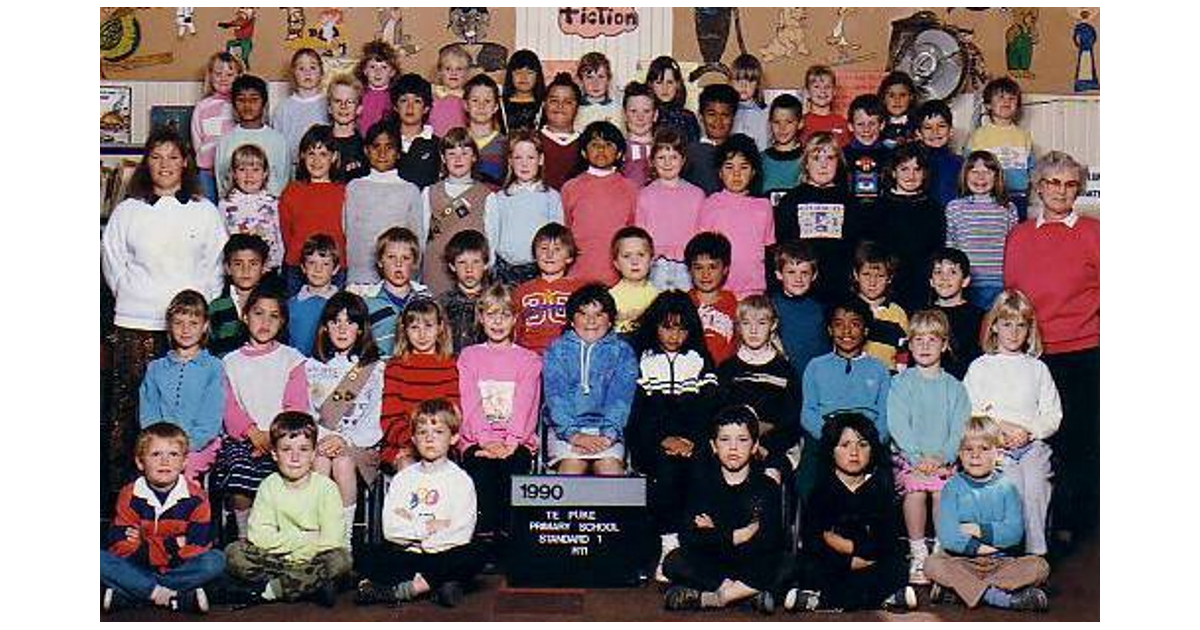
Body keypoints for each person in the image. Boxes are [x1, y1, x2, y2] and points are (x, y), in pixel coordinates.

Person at [102, 127, 227, 500]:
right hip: (136, 322)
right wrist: (134, 294)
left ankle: (183, 500)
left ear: (185, 162)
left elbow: (215, 265)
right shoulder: (128, 210)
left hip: (187, 327)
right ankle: (125, 501)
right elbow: (113, 262)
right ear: (146, 164)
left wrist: (195, 310)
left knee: (185, 410)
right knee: (131, 418)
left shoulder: (204, 211)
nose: (165, 165)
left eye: (173, 156)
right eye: (156, 157)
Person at [1003, 151, 1098, 546]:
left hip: (1085, 349)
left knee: (1079, 439)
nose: (1061, 191)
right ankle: (1033, 523)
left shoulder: (1096, 232)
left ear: (1078, 189)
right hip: (1034, 355)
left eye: (1070, 184)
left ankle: (1073, 523)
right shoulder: (1020, 235)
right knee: (1036, 440)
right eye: (1053, 183)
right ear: (1039, 187)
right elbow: (1012, 295)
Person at [627, 291, 721, 581]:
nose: (674, 335)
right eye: (667, 327)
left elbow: (709, 406)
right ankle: (669, 547)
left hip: (693, 440)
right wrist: (662, 440)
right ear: (654, 326)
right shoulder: (640, 358)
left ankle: (694, 548)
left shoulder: (699, 358)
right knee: (666, 472)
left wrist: (692, 439)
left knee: (700, 471)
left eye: (681, 328)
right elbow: (636, 413)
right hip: (651, 442)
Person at [355, 399, 485, 608]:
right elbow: (391, 530)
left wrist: (416, 534)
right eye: (423, 433)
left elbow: (461, 532)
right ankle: (440, 584)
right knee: (365, 555)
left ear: (454, 438)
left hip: (444, 553)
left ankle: (410, 589)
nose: (430, 439)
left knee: (476, 553)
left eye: (438, 432)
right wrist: (429, 528)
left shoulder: (461, 480)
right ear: (414, 439)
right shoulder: (403, 479)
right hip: (409, 555)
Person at [963, 290, 1061, 556]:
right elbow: (971, 409)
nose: (1014, 332)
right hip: (994, 446)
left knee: (1036, 484)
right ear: (994, 325)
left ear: (1029, 330)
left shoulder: (1037, 369)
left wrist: (1030, 433)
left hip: (1031, 445)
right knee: (1012, 485)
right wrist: (1000, 430)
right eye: (1007, 324)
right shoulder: (981, 367)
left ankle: (1036, 555)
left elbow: (1053, 415)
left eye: (1021, 325)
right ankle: (1009, 554)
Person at [784, 413, 914, 613]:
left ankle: (822, 600)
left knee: (895, 565)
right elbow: (814, 539)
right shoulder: (821, 492)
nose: (854, 452)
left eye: (862, 445)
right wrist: (847, 561)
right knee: (807, 566)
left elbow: (886, 539)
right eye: (845, 445)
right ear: (831, 451)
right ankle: (882, 598)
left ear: (872, 451)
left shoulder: (880, 490)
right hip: (833, 564)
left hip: (870, 560)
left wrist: (850, 546)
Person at [662, 405, 784, 614]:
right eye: (725, 440)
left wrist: (715, 531)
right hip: (714, 564)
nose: (733, 448)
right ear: (714, 446)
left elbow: (769, 539)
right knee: (674, 561)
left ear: (755, 446)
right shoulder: (702, 483)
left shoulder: (766, 486)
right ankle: (746, 595)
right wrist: (739, 535)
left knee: (786, 564)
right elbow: (690, 536)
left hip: (750, 561)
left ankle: (717, 597)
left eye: (742, 440)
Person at [923, 417, 1051, 612]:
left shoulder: (1007, 488)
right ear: (960, 454)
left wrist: (976, 529)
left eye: (984, 449)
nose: (975, 455)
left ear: (997, 454)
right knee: (932, 564)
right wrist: (983, 547)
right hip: (962, 560)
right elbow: (949, 536)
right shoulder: (952, 488)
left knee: (1039, 567)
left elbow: (1014, 533)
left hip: (1001, 562)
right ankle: (1002, 599)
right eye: (968, 449)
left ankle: (959, 591)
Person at [224, 412, 351, 607]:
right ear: (274, 453)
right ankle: (307, 586)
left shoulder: (326, 488)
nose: (295, 457)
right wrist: (305, 538)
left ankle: (272, 590)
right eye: (286, 449)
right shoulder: (269, 485)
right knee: (234, 552)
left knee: (341, 559)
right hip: (277, 561)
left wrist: (292, 543)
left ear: (313, 454)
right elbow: (258, 536)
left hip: (313, 560)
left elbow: (332, 540)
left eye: (303, 449)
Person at [213, 287, 309, 541]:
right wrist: (253, 433)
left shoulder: (292, 359)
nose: (265, 322)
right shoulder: (230, 362)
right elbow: (229, 406)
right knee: (240, 472)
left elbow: (296, 406)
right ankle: (246, 537)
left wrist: (273, 437)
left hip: (284, 438)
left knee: (290, 472)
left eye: (273, 316)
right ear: (245, 317)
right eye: (258, 314)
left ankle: (282, 536)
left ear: (283, 322)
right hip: (245, 438)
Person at [101, 423, 226, 614]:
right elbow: (121, 546)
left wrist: (145, 545)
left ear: (184, 462)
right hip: (135, 566)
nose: (165, 461)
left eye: (173, 454)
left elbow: (198, 547)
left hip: (179, 569)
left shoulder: (197, 498)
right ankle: (173, 598)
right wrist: (174, 544)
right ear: (140, 462)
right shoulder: (129, 494)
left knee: (215, 560)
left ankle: (134, 594)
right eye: (156, 454)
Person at [888, 309, 971, 585]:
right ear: (909, 345)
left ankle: (941, 551)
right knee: (916, 490)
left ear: (944, 344)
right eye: (918, 340)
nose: (925, 346)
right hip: (908, 460)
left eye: (932, 340)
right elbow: (898, 424)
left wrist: (943, 458)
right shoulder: (901, 383)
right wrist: (915, 457)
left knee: (941, 493)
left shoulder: (955, 388)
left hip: (944, 462)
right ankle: (918, 551)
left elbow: (960, 428)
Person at [457, 284, 543, 535]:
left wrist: (511, 442)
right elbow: (469, 402)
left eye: (505, 315)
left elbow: (527, 405)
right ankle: (483, 540)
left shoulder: (528, 360)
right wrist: (486, 442)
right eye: (491, 314)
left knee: (511, 473)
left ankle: (509, 540)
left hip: (516, 443)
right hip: (477, 440)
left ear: (515, 319)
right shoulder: (469, 356)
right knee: (482, 474)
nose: (497, 322)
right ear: (480, 318)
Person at [304, 291, 385, 552]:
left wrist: (343, 439)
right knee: (319, 460)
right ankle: (317, 537)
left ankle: (344, 540)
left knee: (342, 461)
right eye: (335, 322)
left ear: (361, 329)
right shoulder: (310, 367)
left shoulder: (374, 370)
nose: (342, 328)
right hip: (320, 443)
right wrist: (324, 437)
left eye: (350, 322)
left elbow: (375, 416)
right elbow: (306, 412)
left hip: (360, 446)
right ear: (325, 327)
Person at [797, 299, 891, 503]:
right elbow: (808, 412)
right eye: (839, 324)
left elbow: (885, 415)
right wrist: (833, 438)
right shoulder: (816, 366)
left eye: (855, 324)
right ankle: (812, 529)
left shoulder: (879, 369)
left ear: (866, 330)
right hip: (827, 435)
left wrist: (869, 440)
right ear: (830, 330)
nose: (846, 331)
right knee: (808, 478)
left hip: (866, 435)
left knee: (883, 479)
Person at [543, 284, 639, 475]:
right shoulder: (557, 350)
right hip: (566, 431)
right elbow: (556, 398)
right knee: (572, 467)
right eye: (583, 314)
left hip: (607, 432)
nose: (591, 321)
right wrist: (574, 435)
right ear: (571, 320)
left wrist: (608, 437)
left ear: (611, 320)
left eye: (599, 314)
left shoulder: (622, 352)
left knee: (609, 468)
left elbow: (621, 400)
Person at [139, 290, 225, 481]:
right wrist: (162, 446)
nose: (185, 330)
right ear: (169, 326)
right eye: (178, 323)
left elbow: (211, 418)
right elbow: (149, 412)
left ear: (205, 326)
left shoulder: (214, 367)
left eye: (193, 323)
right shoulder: (155, 368)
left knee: (184, 476)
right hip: (161, 444)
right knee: (150, 472)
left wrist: (183, 448)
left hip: (200, 444)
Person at [717, 295, 800, 482]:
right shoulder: (727, 369)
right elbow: (718, 415)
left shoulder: (785, 371)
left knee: (769, 477)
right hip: (732, 446)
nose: (753, 330)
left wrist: (765, 446)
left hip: (774, 449)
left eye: (761, 323)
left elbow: (791, 422)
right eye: (746, 323)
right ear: (738, 327)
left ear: (773, 325)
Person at [772, 132, 858, 303]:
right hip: (800, 288)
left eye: (830, 158)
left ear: (838, 163)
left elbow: (855, 247)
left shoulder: (849, 201)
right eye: (816, 158)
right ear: (806, 163)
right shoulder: (791, 200)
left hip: (839, 288)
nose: (823, 165)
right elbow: (782, 247)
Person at [380, 299, 460, 473]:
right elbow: (390, 418)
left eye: (428, 326)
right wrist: (415, 443)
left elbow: (453, 415)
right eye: (415, 328)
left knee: (441, 467)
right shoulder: (396, 367)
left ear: (440, 328)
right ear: (405, 331)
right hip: (405, 443)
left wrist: (433, 442)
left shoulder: (450, 365)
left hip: (442, 443)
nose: (422, 335)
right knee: (408, 467)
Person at [696, 134, 776, 299]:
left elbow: (769, 252)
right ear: (719, 172)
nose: (737, 174)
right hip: (719, 291)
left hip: (754, 291)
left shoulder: (764, 207)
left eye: (744, 167)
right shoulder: (710, 204)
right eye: (729, 167)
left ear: (753, 171)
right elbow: (702, 251)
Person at [343, 122, 422, 287]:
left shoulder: (410, 190)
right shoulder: (355, 187)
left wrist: (413, 278)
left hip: (398, 278)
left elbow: (417, 239)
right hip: (360, 276)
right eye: (376, 146)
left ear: (399, 153)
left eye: (389, 147)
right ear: (366, 150)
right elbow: (347, 229)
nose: (382, 153)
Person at [562, 121, 639, 285]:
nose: (601, 150)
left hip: (619, 280)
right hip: (576, 277)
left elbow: (634, 235)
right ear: (584, 152)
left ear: (619, 153)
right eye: (595, 145)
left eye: (609, 145)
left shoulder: (631, 189)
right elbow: (565, 233)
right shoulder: (570, 187)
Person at [485, 129, 564, 286]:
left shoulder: (551, 197)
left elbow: (557, 236)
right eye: (518, 157)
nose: (524, 163)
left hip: (539, 269)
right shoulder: (499, 198)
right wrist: (491, 268)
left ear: (540, 159)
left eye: (531, 157)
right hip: (505, 269)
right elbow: (491, 235)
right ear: (510, 161)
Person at [875, 143, 946, 312]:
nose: (911, 175)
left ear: (924, 174)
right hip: (886, 283)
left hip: (921, 284)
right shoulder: (878, 207)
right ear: (893, 172)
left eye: (917, 169)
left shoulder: (933, 208)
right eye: (904, 169)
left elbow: (937, 249)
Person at [945, 150, 1019, 310]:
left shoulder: (1008, 208)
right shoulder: (955, 207)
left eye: (987, 172)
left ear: (996, 176)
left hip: (999, 284)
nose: (980, 177)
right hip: (965, 284)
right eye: (974, 172)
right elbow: (951, 248)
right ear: (965, 175)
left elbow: (1015, 249)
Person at [421, 128, 491, 296]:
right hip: (436, 269)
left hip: (472, 271)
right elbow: (422, 236)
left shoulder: (486, 195)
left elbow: (491, 241)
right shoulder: (429, 192)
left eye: (465, 153)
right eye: (452, 154)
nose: (458, 159)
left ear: (474, 157)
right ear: (443, 158)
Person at [279, 124, 347, 295]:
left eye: (323, 154)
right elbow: (285, 232)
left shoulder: (345, 192)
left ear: (334, 157)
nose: (316, 161)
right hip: (297, 266)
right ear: (302, 156)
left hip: (334, 268)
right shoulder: (292, 191)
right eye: (311, 154)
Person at [636, 129, 705, 292]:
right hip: (656, 265)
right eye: (661, 158)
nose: (667, 163)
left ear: (683, 161)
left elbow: (701, 233)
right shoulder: (645, 194)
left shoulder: (697, 194)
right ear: (652, 161)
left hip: (686, 266)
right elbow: (640, 233)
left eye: (674, 157)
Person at [350, 227, 433, 358]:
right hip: (378, 371)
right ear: (380, 261)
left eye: (405, 258)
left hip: (416, 370)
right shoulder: (367, 300)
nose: (398, 264)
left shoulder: (426, 299)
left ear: (415, 263)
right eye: (391, 257)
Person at [966, 77, 1034, 221]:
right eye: (1001, 97)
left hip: (1018, 196)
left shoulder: (1023, 136)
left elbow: (1032, 168)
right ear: (988, 105)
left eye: (1012, 98)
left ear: (1018, 105)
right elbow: (967, 168)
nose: (1007, 102)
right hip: (987, 196)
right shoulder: (979, 135)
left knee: (1016, 236)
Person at [513, 222, 583, 355]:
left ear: (569, 257)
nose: (549, 255)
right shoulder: (521, 291)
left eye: (557, 249)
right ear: (534, 254)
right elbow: (515, 331)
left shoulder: (579, 290)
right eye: (544, 248)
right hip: (529, 357)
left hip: (566, 356)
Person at [215, 74, 290, 198]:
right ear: (233, 104)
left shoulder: (278, 141)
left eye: (254, 100)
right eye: (241, 100)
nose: (247, 105)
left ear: (264, 103)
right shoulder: (225, 141)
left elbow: (284, 180)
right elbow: (221, 182)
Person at [769, 240, 830, 381]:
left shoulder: (821, 309)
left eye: (804, 273)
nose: (798, 278)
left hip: (817, 381)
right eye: (791, 272)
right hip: (782, 382)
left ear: (814, 276)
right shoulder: (770, 306)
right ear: (779, 274)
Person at [218, 143, 284, 272]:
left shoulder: (272, 202)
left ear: (265, 173)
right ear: (234, 174)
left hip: (268, 268)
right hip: (238, 270)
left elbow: (279, 236)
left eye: (255, 170)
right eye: (242, 170)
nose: (249, 176)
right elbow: (221, 239)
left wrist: (279, 262)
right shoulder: (225, 204)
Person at [192, 51, 245, 201]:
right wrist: (203, 160)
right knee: (208, 206)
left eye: (229, 74)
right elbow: (197, 137)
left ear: (238, 76)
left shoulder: (241, 106)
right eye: (218, 73)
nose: (223, 78)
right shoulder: (203, 106)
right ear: (210, 76)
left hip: (235, 170)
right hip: (206, 171)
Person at [208, 234, 269, 358]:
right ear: (227, 268)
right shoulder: (216, 307)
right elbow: (209, 348)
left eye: (253, 264)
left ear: (263, 267)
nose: (245, 270)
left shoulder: (272, 306)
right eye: (238, 264)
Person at [927, 248, 984, 379]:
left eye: (952, 272)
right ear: (931, 281)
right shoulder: (922, 315)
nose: (944, 278)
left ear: (965, 281)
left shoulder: (978, 317)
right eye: (938, 272)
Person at [852, 241, 909, 373]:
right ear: (856, 275)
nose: (872, 282)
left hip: (888, 381)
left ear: (889, 278)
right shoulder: (846, 309)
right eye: (866, 275)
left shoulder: (898, 314)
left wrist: (900, 377)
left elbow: (903, 352)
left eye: (880, 276)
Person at [685, 232, 738, 366]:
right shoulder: (682, 303)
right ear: (689, 270)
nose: (705, 274)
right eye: (698, 267)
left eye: (713, 267)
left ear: (725, 269)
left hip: (724, 375)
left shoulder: (736, 306)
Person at [272, 48, 329, 168]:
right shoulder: (283, 108)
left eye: (313, 68)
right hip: (292, 168)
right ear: (293, 73)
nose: (307, 73)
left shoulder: (329, 104)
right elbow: (277, 145)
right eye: (301, 68)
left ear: (321, 72)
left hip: (323, 168)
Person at [287, 234, 341, 357]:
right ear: (303, 267)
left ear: (335, 269)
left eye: (325, 264)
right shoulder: (291, 305)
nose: (318, 269)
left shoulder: (342, 304)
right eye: (312, 263)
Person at [438, 230, 490, 353]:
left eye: (476, 262)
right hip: (451, 366)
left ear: (486, 264)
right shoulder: (441, 303)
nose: (469, 269)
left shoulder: (493, 301)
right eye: (462, 262)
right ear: (452, 266)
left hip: (485, 367)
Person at [683, 83, 739, 195]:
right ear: (700, 116)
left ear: (734, 118)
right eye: (711, 114)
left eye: (725, 115)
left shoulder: (741, 152)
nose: (718, 121)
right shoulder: (689, 153)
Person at [391, 73, 442, 190]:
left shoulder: (437, 145)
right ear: (395, 107)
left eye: (417, 101)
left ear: (426, 108)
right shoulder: (385, 141)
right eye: (404, 100)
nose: (410, 107)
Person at [843, 94, 891, 210]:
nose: (866, 129)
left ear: (882, 125)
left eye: (872, 123)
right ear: (850, 126)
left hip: (883, 214)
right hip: (851, 214)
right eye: (860, 124)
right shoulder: (842, 155)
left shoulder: (891, 155)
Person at [609, 226, 660, 334]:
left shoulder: (659, 297)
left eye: (641, 255)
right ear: (616, 263)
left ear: (651, 260)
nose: (634, 261)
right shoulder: (610, 298)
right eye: (626, 256)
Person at [915, 99, 963, 210]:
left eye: (941, 126)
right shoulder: (914, 162)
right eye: (928, 127)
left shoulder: (960, 163)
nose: (935, 132)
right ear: (918, 133)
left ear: (951, 131)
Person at [539, 72, 584, 190]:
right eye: (554, 100)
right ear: (544, 104)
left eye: (568, 102)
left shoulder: (586, 143)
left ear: (577, 107)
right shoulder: (532, 140)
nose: (560, 106)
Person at [464, 74, 509, 187]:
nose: (481, 106)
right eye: (475, 100)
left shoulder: (505, 145)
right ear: (465, 105)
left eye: (487, 101)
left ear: (495, 107)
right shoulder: (455, 140)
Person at [646, 56, 700, 144]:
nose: (665, 88)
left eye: (670, 82)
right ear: (650, 85)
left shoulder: (688, 118)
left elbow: (694, 149)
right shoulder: (646, 115)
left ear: (678, 84)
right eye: (659, 83)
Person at [760, 93, 804, 201]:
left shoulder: (808, 159)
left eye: (789, 122)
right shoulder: (760, 160)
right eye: (776, 122)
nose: (782, 128)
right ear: (769, 123)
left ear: (800, 123)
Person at [326, 73, 370, 182]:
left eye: (349, 102)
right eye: (337, 101)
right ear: (329, 108)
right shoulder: (320, 142)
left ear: (359, 108)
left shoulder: (365, 146)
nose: (343, 106)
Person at [354, 40, 400, 139]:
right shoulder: (357, 94)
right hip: (361, 142)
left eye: (384, 67)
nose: (378, 72)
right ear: (365, 70)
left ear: (392, 72)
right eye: (372, 67)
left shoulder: (396, 96)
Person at [798, 64, 848, 147]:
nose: (822, 91)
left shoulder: (842, 123)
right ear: (807, 92)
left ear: (834, 91)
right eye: (816, 87)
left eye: (827, 87)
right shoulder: (801, 123)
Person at [574, 52, 624, 131]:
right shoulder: (575, 109)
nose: (595, 83)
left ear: (608, 79)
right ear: (581, 80)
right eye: (589, 77)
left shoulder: (617, 108)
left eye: (601, 77)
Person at [731, 53, 770, 151]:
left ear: (757, 84)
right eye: (738, 79)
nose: (744, 85)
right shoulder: (727, 112)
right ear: (731, 81)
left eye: (750, 80)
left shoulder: (766, 113)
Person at [430, 44, 471, 136]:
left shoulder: (469, 97)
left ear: (467, 73)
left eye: (459, 69)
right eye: (448, 69)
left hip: (460, 144)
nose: (453, 73)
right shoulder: (432, 94)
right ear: (440, 72)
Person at [502, 49, 546, 133]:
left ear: (538, 76)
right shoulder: (500, 105)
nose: (523, 77)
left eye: (530, 73)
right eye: (518, 72)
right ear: (510, 75)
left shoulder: (545, 105)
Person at [877, 71, 919, 149]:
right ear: (883, 98)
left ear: (911, 97)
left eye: (902, 95)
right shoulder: (876, 125)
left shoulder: (919, 124)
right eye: (891, 95)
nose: (897, 100)